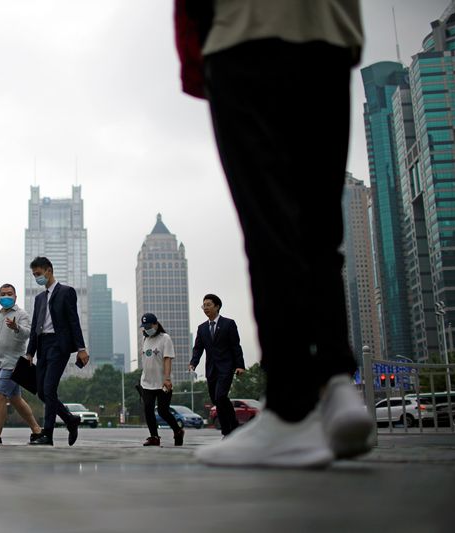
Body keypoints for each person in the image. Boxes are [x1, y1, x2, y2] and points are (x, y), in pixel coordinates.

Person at [175, 0, 374, 467]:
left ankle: (290, 413)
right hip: (329, 35)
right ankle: (339, 387)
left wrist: (195, 60)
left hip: (245, 32)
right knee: (320, 229)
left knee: (270, 229)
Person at [25, 256, 89, 446]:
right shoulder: (39, 298)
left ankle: (48, 435)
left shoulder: (66, 292)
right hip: (42, 346)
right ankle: (70, 420)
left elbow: (73, 321)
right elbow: (36, 326)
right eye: (34, 275)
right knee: (42, 393)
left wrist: (81, 348)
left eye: (38, 274)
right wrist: (30, 352)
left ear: (48, 271)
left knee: (49, 388)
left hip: (58, 345)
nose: (37, 278)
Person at [0, 283, 43, 445]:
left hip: (13, 364)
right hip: (1, 364)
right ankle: (37, 431)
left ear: (15, 297)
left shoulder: (21, 314)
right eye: (3, 294)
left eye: (9, 293)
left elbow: (27, 334)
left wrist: (16, 327)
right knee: (15, 399)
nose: (6, 296)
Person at [189, 294, 245, 438]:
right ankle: (234, 424)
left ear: (217, 306)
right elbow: (198, 348)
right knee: (217, 400)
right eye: (204, 306)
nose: (205, 308)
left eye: (208, 305)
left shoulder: (229, 324)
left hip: (226, 367)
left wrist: (240, 365)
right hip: (211, 369)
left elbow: (235, 346)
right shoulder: (202, 328)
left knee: (220, 396)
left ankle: (227, 431)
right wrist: (193, 363)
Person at [139, 313, 184, 446]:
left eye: (149, 326)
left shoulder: (165, 338)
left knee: (163, 411)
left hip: (162, 382)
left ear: (156, 325)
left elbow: (167, 359)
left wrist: (167, 378)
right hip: (146, 382)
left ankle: (177, 431)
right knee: (148, 408)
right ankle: (154, 437)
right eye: (144, 327)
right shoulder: (145, 340)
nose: (147, 329)